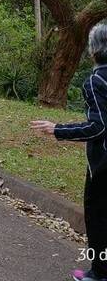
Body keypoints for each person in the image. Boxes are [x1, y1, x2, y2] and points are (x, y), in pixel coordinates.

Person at [32, 24, 107, 281]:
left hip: (103, 166)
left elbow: (98, 126)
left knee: (98, 219)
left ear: (94, 50)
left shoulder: (95, 81)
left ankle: (99, 272)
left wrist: (57, 130)